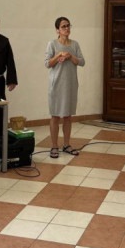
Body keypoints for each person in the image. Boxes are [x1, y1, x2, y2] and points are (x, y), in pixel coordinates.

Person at [45, 17, 85, 158]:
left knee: (67, 116)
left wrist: (70, 56)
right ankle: (54, 146)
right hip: (56, 85)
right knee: (55, 115)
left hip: (70, 84)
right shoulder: (52, 44)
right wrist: (58, 56)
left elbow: (82, 62)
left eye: (68, 25)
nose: (67, 28)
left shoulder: (75, 44)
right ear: (57, 30)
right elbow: (47, 63)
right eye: (63, 26)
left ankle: (66, 144)